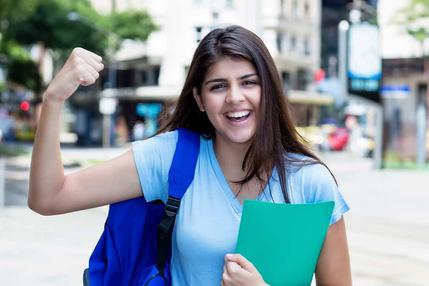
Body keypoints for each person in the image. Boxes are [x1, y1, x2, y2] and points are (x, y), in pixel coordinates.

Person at [29, 25, 352, 285]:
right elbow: (50, 198)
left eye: (249, 82)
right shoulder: (171, 158)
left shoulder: (311, 182)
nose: (235, 97)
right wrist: (54, 99)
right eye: (218, 86)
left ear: (268, 90)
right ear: (199, 98)